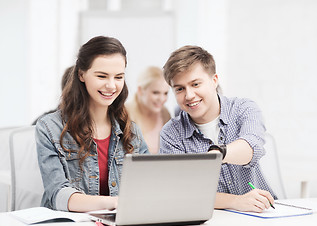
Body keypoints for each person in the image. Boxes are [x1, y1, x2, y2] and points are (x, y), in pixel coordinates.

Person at [35, 36, 149, 212]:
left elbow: (147, 184)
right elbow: (57, 194)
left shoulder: (131, 130)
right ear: (81, 74)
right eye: (102, 76)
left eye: (118, 77)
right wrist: (113, 203)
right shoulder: (50, 128)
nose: (111, 85)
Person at [160, 45, 277, 213]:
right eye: (180, 88)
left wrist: (216, 155)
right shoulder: (171, 134)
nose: (189, 95)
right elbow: (182, 191)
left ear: (214, 81)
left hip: (263, 212)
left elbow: (252, 147)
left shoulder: (243, 109)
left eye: (195, 84)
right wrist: (236, 201)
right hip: (210, 221)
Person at [126, 66, 170, 153]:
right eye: (155, 93)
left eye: (165, 93)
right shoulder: (125, 113)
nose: (161, 99)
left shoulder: (165, 113)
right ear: (140, 90)